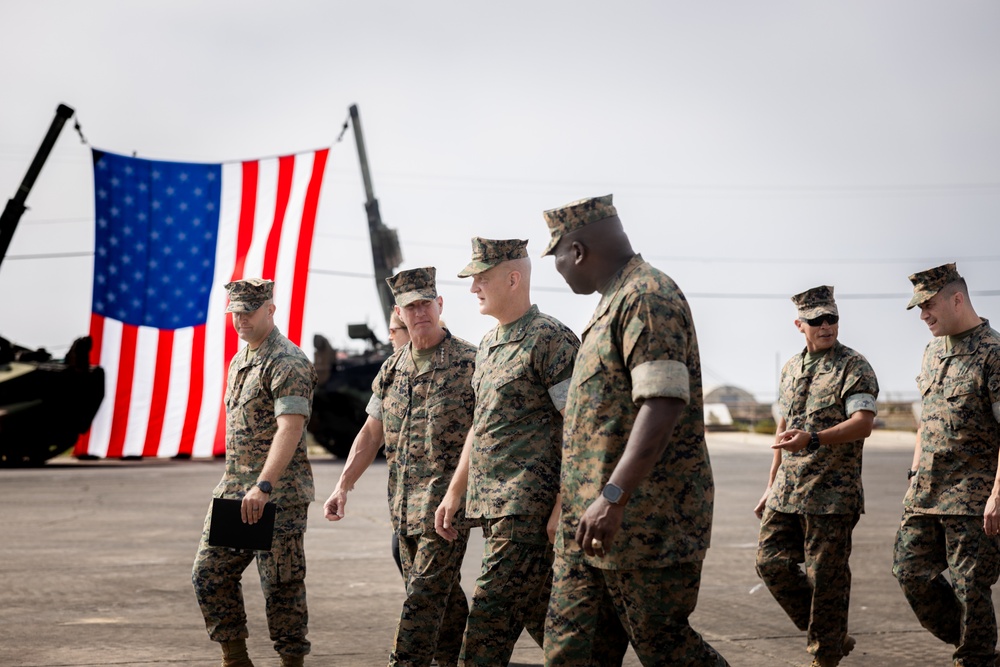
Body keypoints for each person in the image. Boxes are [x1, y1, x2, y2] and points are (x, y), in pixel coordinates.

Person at [539, 194, 728, 666]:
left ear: (577, 250)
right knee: (571, 653)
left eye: (556, 255)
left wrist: (613, 496)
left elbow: (662, 403)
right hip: (589, 529)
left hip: (643, 524)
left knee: (666, 648)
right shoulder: (613, 303)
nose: (557, 268)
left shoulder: (647, 297)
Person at [434, 237, 580, 665]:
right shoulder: (490, 344)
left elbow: (579, 428)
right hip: (493, 511)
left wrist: (562, 504)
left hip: (528, 514)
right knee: (556, 630)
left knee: (483, 639)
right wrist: (455, 492)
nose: (474, 287)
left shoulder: (550, 339)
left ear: (513, 278)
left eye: (482, 278)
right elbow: (481, 426)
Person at [323, 267, 476, 667]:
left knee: (421, 601)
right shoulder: (391, 371)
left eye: (426, 302)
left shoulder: (472, 363)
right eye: (410, 305)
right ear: (399, 312)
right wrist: (343, 486)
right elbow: (370, 434)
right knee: (442, 597)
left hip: (447, 511)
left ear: (440, 305)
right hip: (402, 510)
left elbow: (487, 434)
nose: (419, 311)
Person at [192, 278, 318, 667]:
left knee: (281, 588)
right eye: (235, 312)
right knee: (209, 574)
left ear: (270, 310)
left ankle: (291, 661)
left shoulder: (287, 361)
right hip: (236, 490)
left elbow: (291, 427)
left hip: (275, 495)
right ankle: (236, 659)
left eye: (248, 311)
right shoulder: (242, 359)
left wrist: (264, 486)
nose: (241, 319)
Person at [753, 285, 878, 667]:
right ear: (799, 325)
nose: (826, 325)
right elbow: (783, 424)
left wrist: (814, 440)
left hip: (831, 495)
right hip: (787, 491)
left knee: (826, 579)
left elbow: (863, 424)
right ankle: (831, 632)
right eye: (817, 320)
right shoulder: (791, 367)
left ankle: (825, 655)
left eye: (832, 318)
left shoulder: (854, 366)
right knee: (770, 563)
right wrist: (770, 484)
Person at [892, 263, 1000, 667]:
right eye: (919, 308)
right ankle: (980, 645)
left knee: (972, 587)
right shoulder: (932, 351)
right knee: (910, 573)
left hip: (972, 497)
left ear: (957, 299)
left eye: (929, 305)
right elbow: (927, 420)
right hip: (925, 493)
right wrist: (913, 474)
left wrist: (997, 494)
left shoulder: (993, 352)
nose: (923, 315)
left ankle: (975, 655)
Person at [387, 308, 410, 579]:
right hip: (402, 500)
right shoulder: (391, 370)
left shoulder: (463, 361)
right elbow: (371, 431)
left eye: (394, 330)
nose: (390, 336)